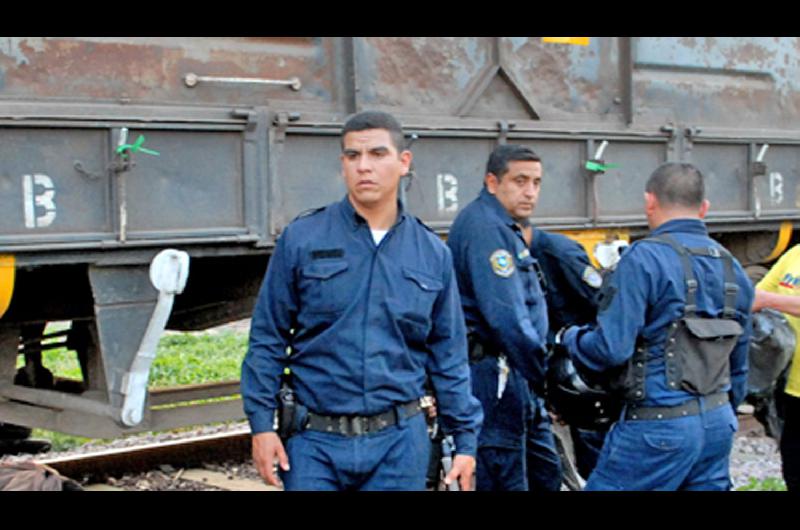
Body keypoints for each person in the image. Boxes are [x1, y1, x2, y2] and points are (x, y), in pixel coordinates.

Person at [240, 110, 482, 491]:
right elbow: (267, 338)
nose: (364, 167)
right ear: (342, 165)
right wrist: (260, 425)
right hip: (314, 442)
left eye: (377, 154)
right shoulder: (303, 239)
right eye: (353, 156)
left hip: (399, 444)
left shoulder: (432, 254)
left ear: (404, 163)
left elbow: (449, 354)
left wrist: (465, 441)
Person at [560, 162, 754, 490]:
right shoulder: (733, 268)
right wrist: (719, 413)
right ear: (704, 208)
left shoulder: (643, 260)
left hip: (657, 425)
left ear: (649, 201)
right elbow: (740, 364)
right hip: (718, 423)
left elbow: (611, 349)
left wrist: (571, 338)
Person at [447, 144, 560, 491]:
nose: (530, 192)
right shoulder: (486, 228)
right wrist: (547, 374)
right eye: (520, 181)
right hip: (495, 378)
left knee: (545, 473)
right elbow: (506, 317)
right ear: (492, 182)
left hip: (516, 376)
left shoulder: (504, 225)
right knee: (504, 475)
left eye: (537, 183)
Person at [531, 229, 608, 482]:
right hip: (548, 365)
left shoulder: (559, 254)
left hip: (582, 371)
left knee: (594, 460)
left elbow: (603, 308)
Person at [751, 245, 800, 491]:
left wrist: (771, 301)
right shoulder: (795, 254)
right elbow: (754, 297)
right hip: (792, 386)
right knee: (794, 470)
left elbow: (764, 299)